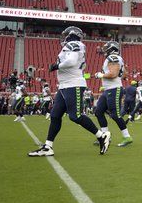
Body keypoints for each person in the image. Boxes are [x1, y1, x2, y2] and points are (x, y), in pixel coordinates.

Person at [28, 27, 111, 157]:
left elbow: (71, 61)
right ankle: (48, 146)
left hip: (73, 84)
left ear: (71, 35)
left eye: (66, 35)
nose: (64, 37)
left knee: (75, 116)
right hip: (65, 85)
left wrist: (56, 66)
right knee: (55, 115)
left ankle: (102, 136)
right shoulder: (75, 45)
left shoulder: (74, 44)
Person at [93, 41, 132, 147]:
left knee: (115, 115)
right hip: (109, 89)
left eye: (107, 48)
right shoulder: (118, 58)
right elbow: (124, 74)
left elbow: (113, 74)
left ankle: (127, 136)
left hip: (114, 89)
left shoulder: (112, 58)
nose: (105, 50)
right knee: (99, 112)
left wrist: (100, 75)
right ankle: (105, 136)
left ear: (112, 49)